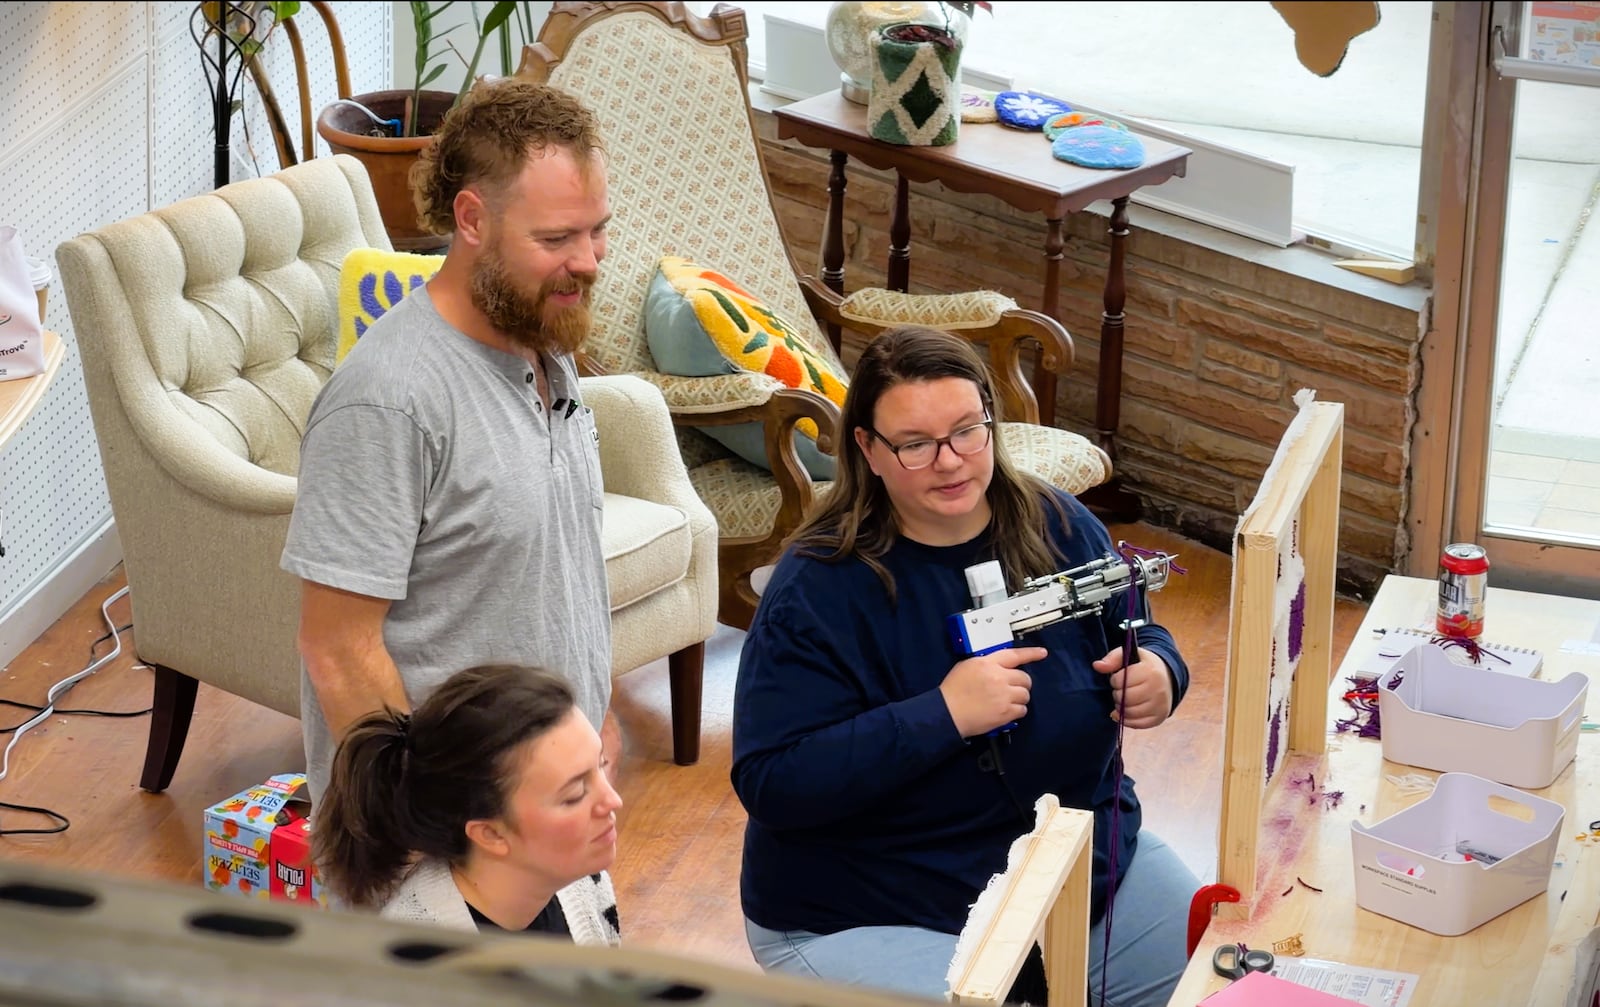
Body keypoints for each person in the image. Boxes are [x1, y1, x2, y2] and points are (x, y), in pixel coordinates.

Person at [731, 326, 1200, 1007]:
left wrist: (1161, 666)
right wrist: (940, 714)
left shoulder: (1060, 524)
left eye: (967, 431)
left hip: (1074, 867)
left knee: (1222, 973)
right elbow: (771, 780)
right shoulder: (816, 589)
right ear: (868, 449)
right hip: (874, 905)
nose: (950, 461)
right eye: (916, 444)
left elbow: (1136, 622)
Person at [281, 79, 618, 804]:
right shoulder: (387, 402)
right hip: (447, 838)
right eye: (557, 238)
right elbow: (337, 650)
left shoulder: (543, 341)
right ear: (472, 220)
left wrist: (592, 732)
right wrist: (426, 828)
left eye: (596, 230)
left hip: (550, 813)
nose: (589, 261)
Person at [314, 663, 622, 942]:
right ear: (490, 834)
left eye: (601, 764)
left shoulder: (584, 883)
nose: (613, 800)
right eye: (574, 795)